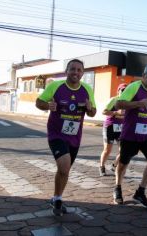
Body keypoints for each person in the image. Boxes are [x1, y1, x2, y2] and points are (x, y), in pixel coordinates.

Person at [35, 59, 96, 216]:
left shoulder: (87, 89)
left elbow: (93, 112)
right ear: (67, 71)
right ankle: (57, 198)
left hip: (75, 136)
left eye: (79, 70)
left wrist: (90, 109)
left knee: (65, 170)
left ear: (82, 73)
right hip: (56, 133)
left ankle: (57, 198)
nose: (75, 72)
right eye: (72, 69)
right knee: (64, 165)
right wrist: (47, 106)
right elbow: (39, 102)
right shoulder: (55, 86)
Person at [113, 64, 147, 209]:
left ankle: (140, 192)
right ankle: (117, 187)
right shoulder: (134, 87)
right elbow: (118, 104)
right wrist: (138, 103)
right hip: (130, 134)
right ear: (144, 76)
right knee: (123, 164)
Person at [99, 83, 127, 176]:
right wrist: (116, 112)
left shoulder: (128, 102)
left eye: (126, 90)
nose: (124, 92)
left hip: (120, 128)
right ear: (118, 91)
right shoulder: (113, 100)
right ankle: (102, 166)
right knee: (107, 150)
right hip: (110, 127)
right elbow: (104, 111)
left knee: (124, 150)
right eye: (122, 90)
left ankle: (114, 165)